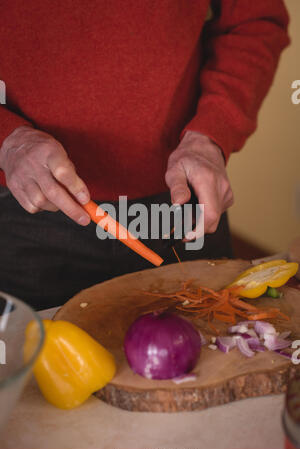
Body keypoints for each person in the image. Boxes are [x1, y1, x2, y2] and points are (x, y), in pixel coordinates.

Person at [0, 0, 290, 309]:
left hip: (182, 205)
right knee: (30, 354)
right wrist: (7, 137)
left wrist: (211, 133)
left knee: (217, 346)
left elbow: (255, 21)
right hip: (25, 208)